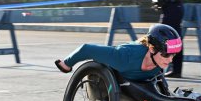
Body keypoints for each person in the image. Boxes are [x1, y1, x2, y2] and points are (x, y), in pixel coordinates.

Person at [54, 24, 182, 81]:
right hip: (103, 79)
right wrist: (67, 64)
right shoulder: (125, 56)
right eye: (166, 55)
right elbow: (86, 49)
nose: (170, 60)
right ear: (152, 49)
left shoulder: (160, 63)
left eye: (173, 55)